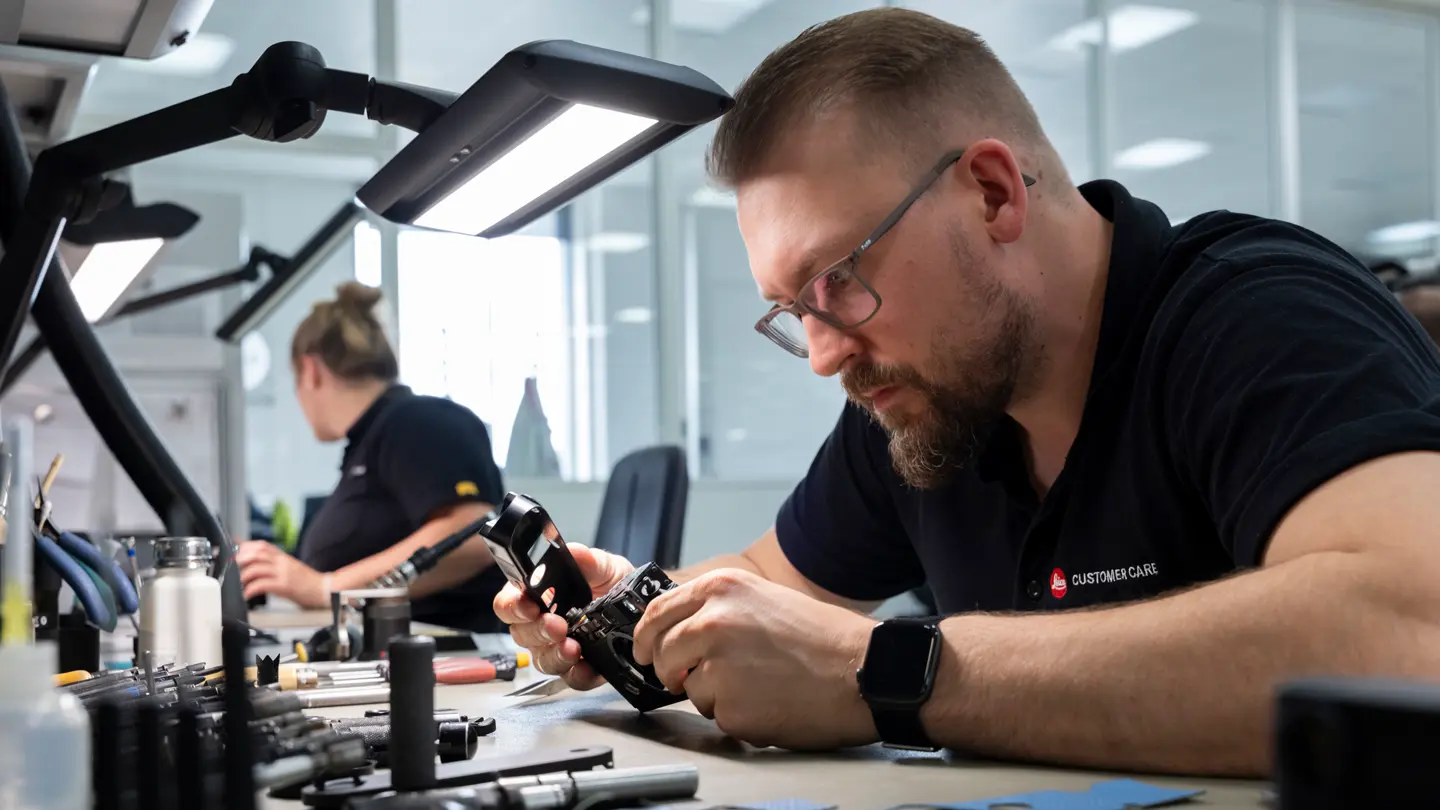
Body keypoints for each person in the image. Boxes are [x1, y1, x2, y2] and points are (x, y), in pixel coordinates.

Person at [496, 7, 1440, 778]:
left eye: (836, 279)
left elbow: (1410, 631)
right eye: (792, 310)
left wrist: (888, 671)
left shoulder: (1257, 315)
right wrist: (636, 608)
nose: (824, 356)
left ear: (992, 193)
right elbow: (766, 588)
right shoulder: (919, 406)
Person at [237, 281, 507, 633]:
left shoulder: (419, 420)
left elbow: (475, 533)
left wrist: (326, 588)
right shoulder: (373, 441)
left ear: (310, 370)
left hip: (449, 656)